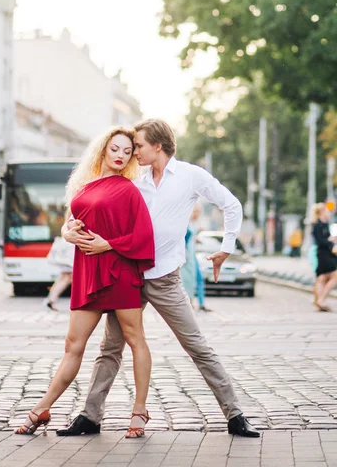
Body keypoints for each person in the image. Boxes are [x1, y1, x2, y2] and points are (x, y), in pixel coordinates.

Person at [61, 118, 259, 438]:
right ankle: (90, 416)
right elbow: (89, 214)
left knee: (196, 345)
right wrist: (70, 231)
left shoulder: (190, 176)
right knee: (110, 348)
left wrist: (226, 247)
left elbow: (230, 204)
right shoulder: (134, 181)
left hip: (165, 277)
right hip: (129, 274)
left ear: (157, 146)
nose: (132, 152)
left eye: (138, 146)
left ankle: (235, 414)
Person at [15, 127, 155, 438]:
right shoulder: (83, 185)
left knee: (135, 341)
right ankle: (43, 408)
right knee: (73, 346)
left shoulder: (130, 190)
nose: (120, 156)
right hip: (87, 272)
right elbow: (68, 224)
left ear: (132, 158)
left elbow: (144, 235)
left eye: (127, 152)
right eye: (115, 149)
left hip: (119, 271)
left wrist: (109, 245)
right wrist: (68, 232)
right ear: (104, 149)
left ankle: (139, 411)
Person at [311, 203, 337, 312]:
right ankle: (321, 299)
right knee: (334, 277)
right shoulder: (319, 225)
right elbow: (320, 241)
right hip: (324, 254)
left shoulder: (323, 225)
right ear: (321, 212)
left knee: (321, 278)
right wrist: (330, 240)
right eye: (327, 211)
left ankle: (318, 302)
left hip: (324, 254)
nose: (329, 213)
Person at [43, 238, 75, 311]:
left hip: (64, 260)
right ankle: (51, 300)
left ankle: (50, 299)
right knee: (65, 280)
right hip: (68, 261)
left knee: (61, 279)